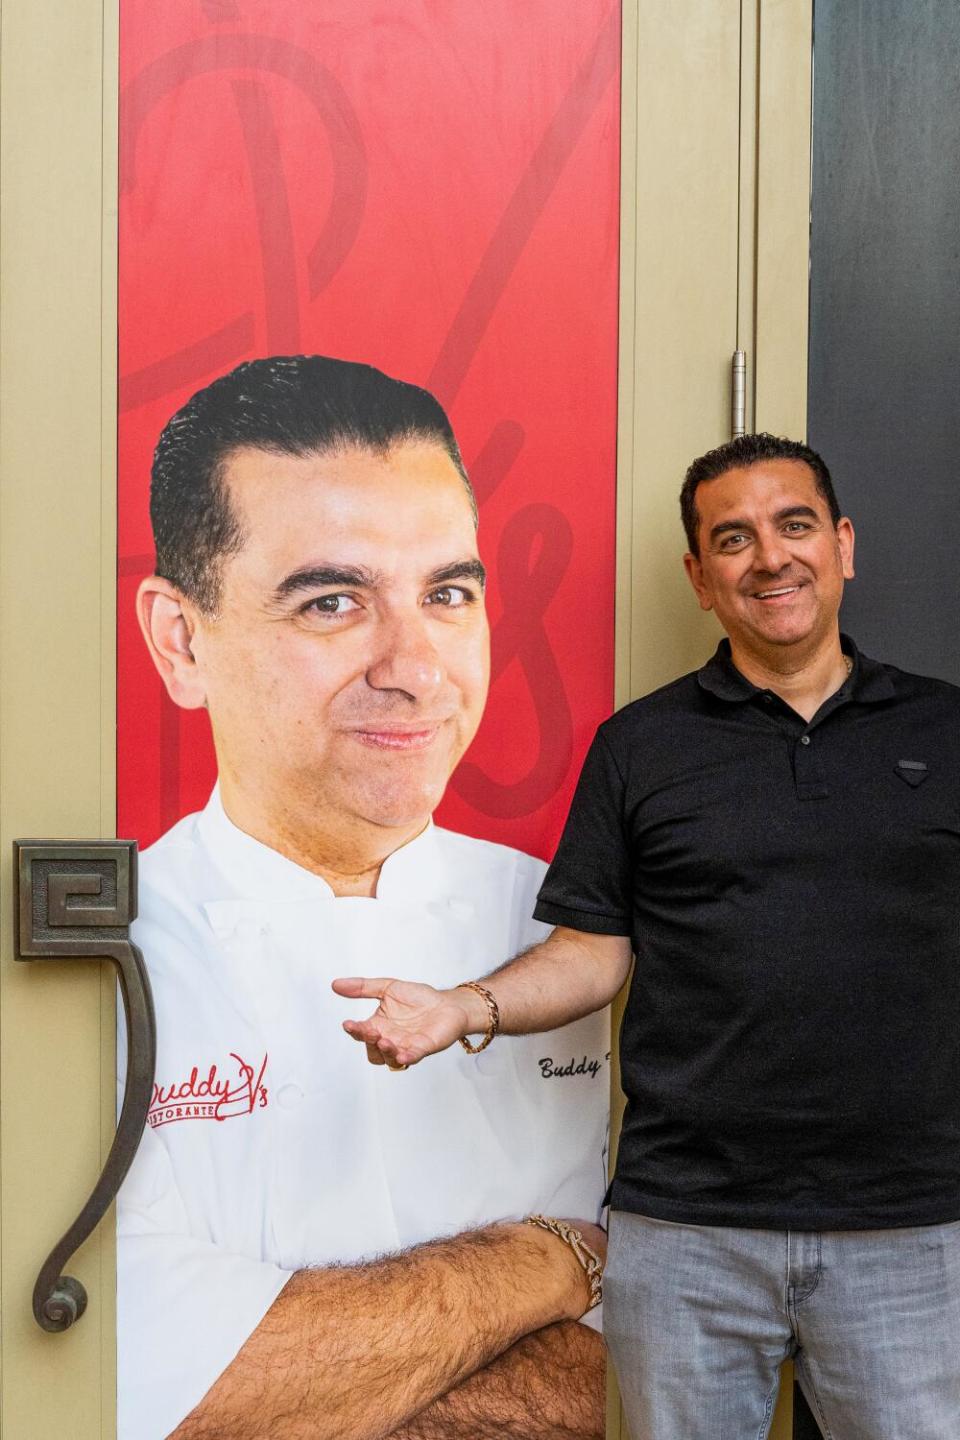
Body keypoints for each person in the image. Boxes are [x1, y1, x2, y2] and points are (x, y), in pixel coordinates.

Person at [340, 431, 960, 1440]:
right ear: (702, 578)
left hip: (911, 1227)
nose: (770, 557)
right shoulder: (643, 747)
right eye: (734, 539)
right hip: (690, 1232)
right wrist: (463, 1008)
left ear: (843, 545)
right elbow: (595, 951)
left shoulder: (943, 731)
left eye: (794, 525)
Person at [118, 355, 610, 1440]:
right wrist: (550, 1259)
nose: (417, 666)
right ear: (180, 639)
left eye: (447, 594)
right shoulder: (99, 962)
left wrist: (314, 1372)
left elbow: (682, 1350)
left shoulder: (579, 936)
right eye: (333, 601)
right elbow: (148, 1386)